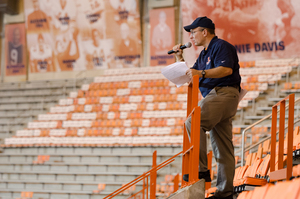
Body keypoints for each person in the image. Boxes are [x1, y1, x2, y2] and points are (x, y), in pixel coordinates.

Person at [172, 16, 241, 199]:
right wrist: (180, 57)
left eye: (193, 32)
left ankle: (200, 170)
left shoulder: (221, 46)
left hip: (223, 93)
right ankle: (225, 193)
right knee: (223, 146)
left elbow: (226, 70)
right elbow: (191, 76)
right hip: (217, 97)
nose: (191, 37)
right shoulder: (204, 54)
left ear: (205, 32)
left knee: (193, 122)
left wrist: (201, 72)